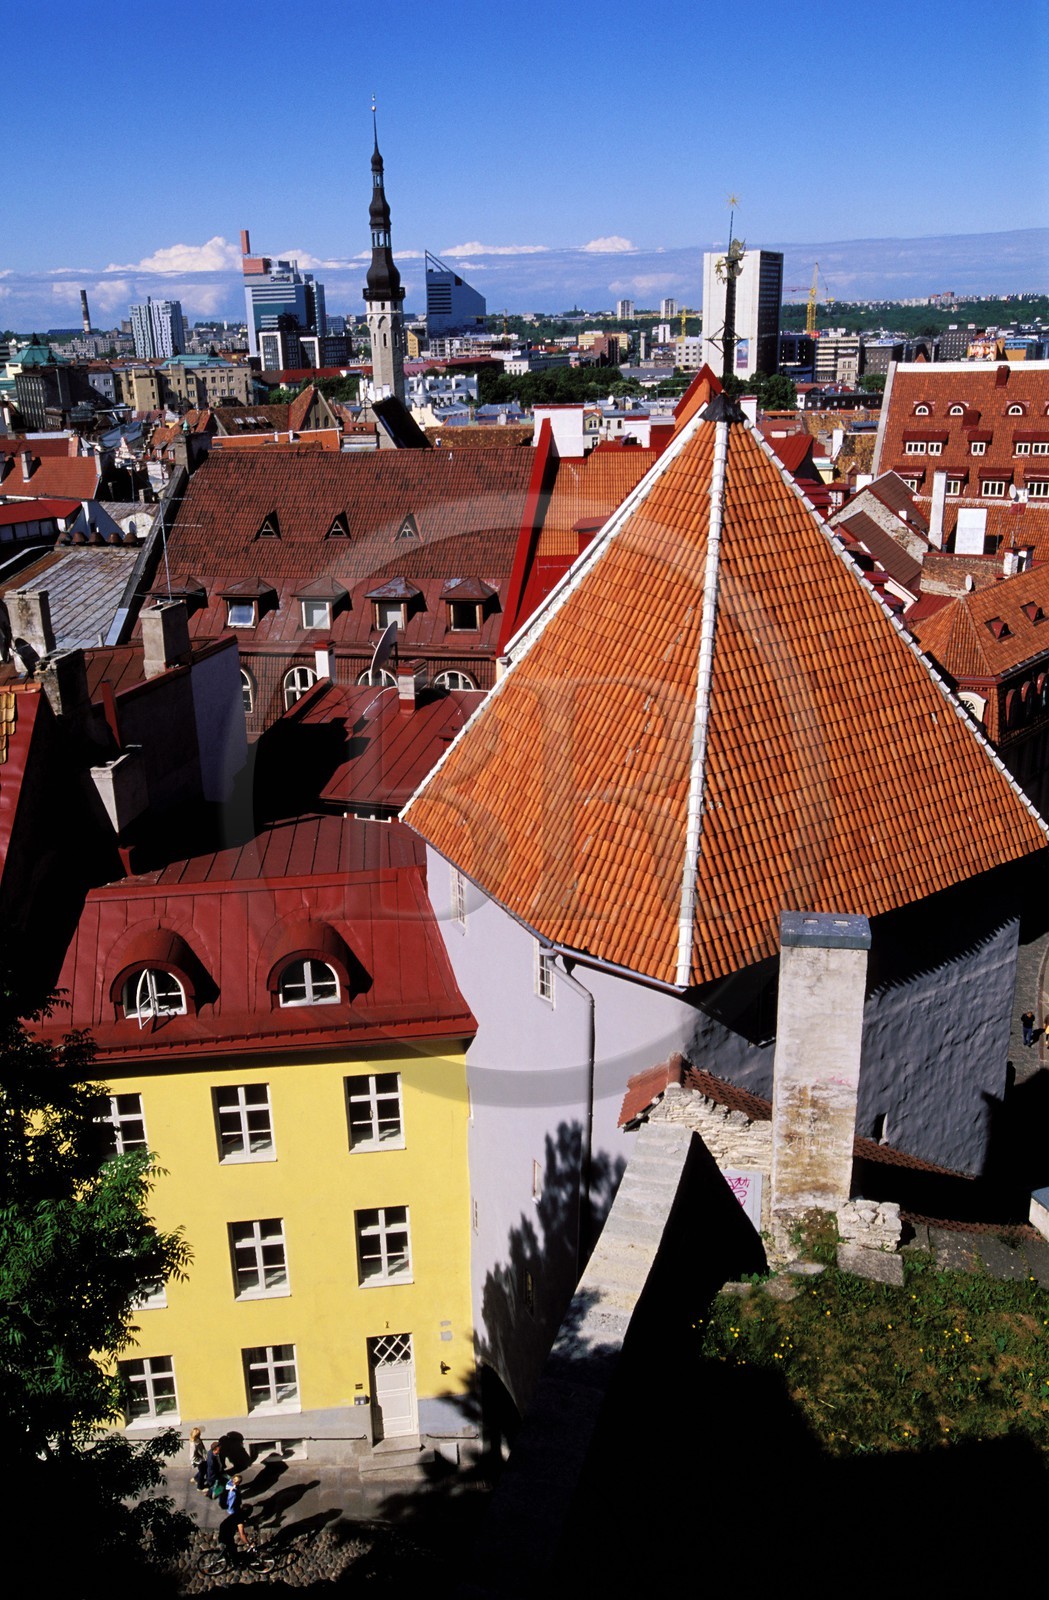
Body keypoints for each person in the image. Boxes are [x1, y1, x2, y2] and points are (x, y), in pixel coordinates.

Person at [218, 1475, 249, 1560]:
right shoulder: (239, 1518)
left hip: (225, 1528)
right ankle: (236, 1565)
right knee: (232, 1550)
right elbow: (242, 1534)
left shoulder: (239, 1514)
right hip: (225, 1532)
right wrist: (249, 1543)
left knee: (231, 1546)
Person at [189, 1426, 208, 1492]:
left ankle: (195, 1478)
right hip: (199, 1460)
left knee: (202, 1471)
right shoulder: (194, 1444)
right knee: (202, 1473)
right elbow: (192, 1456)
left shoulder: (197, 1440)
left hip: (201, 1458)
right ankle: (200, 1487)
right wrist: (199, 1461)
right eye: (199, 1434)